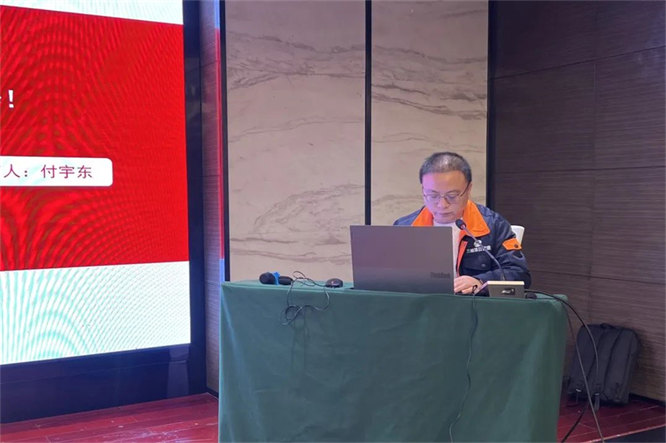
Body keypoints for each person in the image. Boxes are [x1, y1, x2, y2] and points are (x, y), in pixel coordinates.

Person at [394, 152, 530, 294]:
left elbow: (519, 273)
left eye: (452, 196)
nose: (442, 204)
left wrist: (480, 281)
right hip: (421, 304)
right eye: (433, 195)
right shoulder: (405, 227)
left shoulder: (493, 225)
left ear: (468, 189)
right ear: (423, 190)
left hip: (472, 304)